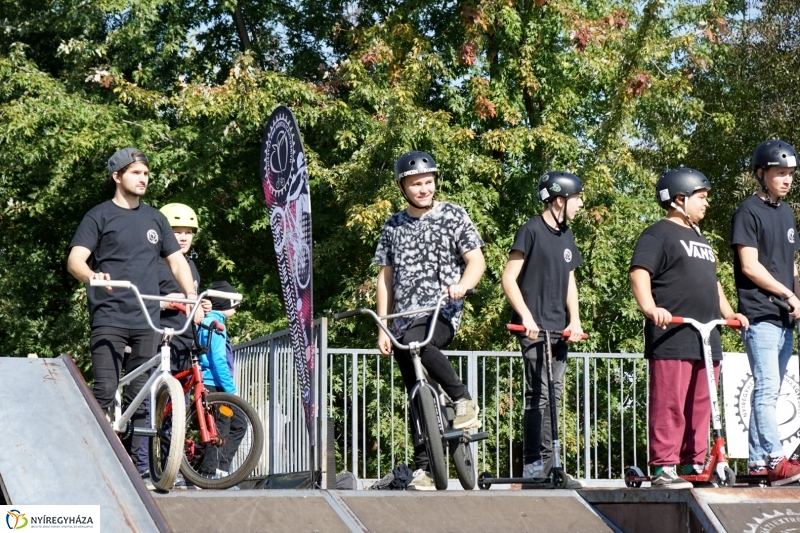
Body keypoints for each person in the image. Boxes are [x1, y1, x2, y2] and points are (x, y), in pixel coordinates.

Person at [67, 147, 201, 474]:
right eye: (136, 173)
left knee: (140, 394)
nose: (144, 178)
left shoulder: (155, 218)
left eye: (146, 173)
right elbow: (75, 260)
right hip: (109, 314)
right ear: (117, 176)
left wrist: (191, 293)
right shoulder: (99, 215)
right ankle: (90, 462)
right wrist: (92, 275)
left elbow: (176, 261)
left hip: (146, 318)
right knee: (104, 390)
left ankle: (132, 467)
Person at [374, 150, 486, 490]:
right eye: (415, 184)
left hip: (441, 310)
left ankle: (462, 397)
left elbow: (476, 260)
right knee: (414, 392)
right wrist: (382, 324)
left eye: (427, 182)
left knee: (418, 345)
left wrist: (463, 286)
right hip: (401, 319)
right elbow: (385, 278)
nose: (423, 189)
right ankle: (424, 468)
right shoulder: (393, 226)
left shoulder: (453, 215)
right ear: (403, 188)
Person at [630, 168, 748, 488]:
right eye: (701, 197)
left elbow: (713, 284)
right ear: (680, 199)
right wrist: (650, 307)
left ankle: (694, 462)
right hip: (673, 334)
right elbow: (639, 273)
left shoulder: (701, 238)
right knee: (670, 403)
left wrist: (730, 315)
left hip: (707, 335)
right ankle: (663, 466)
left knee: (701, 405)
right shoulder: (657, 234)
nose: (706, 204)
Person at [500, 170, 586, 490]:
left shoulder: (566, 235)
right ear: (559, 200)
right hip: (533, 329)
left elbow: (570, 281)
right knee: (537, 395)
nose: (581, 205)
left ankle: (552, 466)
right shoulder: (530, 230)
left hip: (558, 330)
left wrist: (574, 320)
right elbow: (508, 278)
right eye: (577, 199)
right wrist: (526, 317)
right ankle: (534, 465)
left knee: (554, 394)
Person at [731, 139, 800, 485]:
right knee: (767, 389)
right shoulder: (748, 212)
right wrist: (789, 295)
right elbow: (750, 266)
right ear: (761, 174)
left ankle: (758, 462)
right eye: (780, 173)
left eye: (790, 174)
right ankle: (775, 457)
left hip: (786, 318)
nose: (787, 180)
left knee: (771, 392)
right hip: (761, 315)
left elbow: (794, 267)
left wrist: (798, 299)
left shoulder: (786, 213)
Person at [195, 280, 245, 480]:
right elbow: (218, 360)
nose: (236, 309)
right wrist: (231, 390)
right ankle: (211, 474)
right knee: (221, 429)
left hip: (212, 384)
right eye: (234, 303)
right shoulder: (215, 324)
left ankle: (220, 471)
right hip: (216, 385)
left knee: (235, 425)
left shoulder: (209, 321)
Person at [158, 203, 212, 372]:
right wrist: (168, 303)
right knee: (153, 397)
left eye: (188, 232)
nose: (184, 238)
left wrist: (202, 306)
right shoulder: (154, 264)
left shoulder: (191, 266)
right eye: (177, 232)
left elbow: (192, 299)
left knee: (183, 397)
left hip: (186, 345)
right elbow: (138, 302)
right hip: (159, 344)